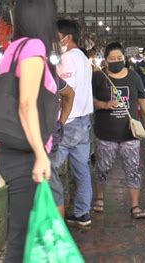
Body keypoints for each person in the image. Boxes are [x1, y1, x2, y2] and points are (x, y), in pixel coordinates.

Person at [0, 1, 73, 262]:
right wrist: (40, 155)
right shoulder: (34, 47)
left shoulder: (12, 50)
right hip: (26, 156)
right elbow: (24, 104)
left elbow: (2, 105)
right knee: (21, 240)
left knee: (25, 234)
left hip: (13, 153)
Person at [92, 42, 145, 219]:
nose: (116, 61)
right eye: (112, 59)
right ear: (105, 60)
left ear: (125, 59)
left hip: (130, 133)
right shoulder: (98, 78)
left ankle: (135, 205)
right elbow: (89, 101)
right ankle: (99, 197)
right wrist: (104, 104)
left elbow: (143, 101)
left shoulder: (134, 77)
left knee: (133, 169)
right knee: (102, 168)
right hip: (105, 133)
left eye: (119, 58)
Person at [53, 19, 94, 227]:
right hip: (84, 121)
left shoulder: (67, 58)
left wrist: (59, 122)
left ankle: (52, 217)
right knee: (81, 169)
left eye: (55, 37)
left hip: (68, 122)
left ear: (67, 38)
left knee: (48, 168)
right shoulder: (83, 59)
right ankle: (82, 213)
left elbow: (65, 92)